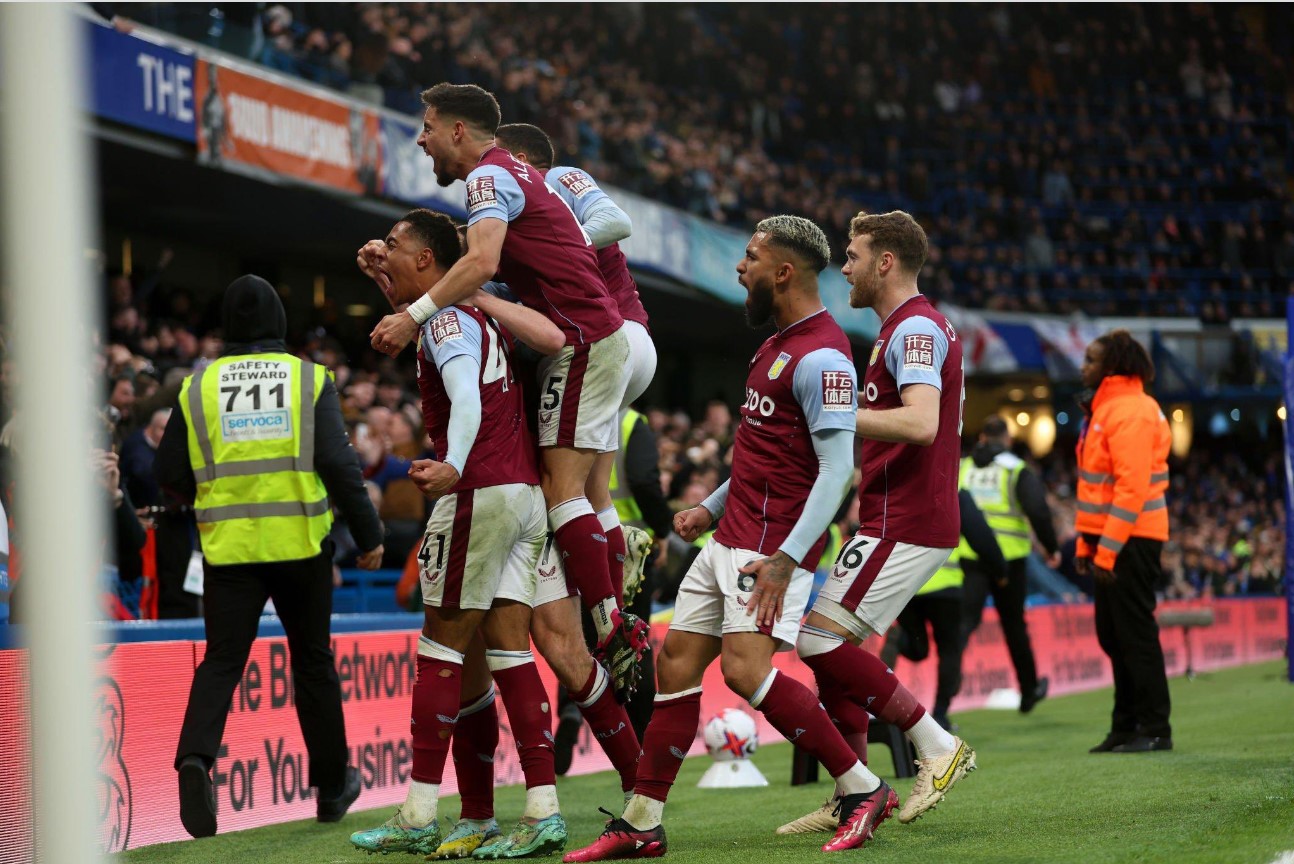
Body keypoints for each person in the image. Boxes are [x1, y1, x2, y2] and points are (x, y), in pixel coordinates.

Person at [565, 216, 890, 861]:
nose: (740, 268)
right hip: (730, 538)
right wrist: (710, 508)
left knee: (744, 672)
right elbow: (762, 455)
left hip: (770, 548)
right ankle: (643, 822)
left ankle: (862, 787)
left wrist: (786, 561)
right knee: (677, 664)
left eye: (750, 257)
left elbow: (836, 471)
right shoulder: (773, 346)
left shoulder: (825, 358)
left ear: (783, 272)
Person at [350, 210, 642, 860]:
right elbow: (445, 322)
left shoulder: (450, 318)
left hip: (479, 490)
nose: (384, 251)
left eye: (395, 245)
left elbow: (465, 394)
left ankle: (419, 814)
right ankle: (540, 810)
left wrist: (454, 462)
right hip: (529, 496)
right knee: (512, 653)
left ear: (430, 260)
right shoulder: (482, 313)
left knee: (442, 652)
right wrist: (392, 286)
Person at [367, 84, 648, 700]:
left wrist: (411, 314)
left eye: (429, 126)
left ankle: (610, 622)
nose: (421, 139)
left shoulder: (488, 179)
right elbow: (475, 278)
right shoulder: (515, 174)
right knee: (579, 495)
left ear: (458, 131)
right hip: (587, 337)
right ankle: (609, 578)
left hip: (587, 341)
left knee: (564, 489)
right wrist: (393, 273)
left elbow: (480, 265)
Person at [155, 275, 384, 839]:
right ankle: (331, 788)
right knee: (312, 664)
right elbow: (339, 465)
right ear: (280, 321)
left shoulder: (197, 387)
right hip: (300, 546)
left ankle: (195, 760)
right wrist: (369, 534)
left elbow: (168, 473)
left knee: (221, 661)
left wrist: (208, 496)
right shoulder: (307, 379)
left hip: (228, 549)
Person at [783, 210, 974, 834]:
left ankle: (937, 745)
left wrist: (830, 414)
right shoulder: (904, 328)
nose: (844, 268)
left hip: (908, 519)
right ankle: (854, 791)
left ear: (885, 262)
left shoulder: (914, 329)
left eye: (853, 255)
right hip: (892, 518)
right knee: (826, 647)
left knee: (819, 641)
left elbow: (921, 422)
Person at [493, 121, 658, 613]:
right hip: (622, 346)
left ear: (522, 159)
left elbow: (614, 219)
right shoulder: (518, 221)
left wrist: (561, 246)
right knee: (593, 491)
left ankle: (602, 613)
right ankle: (616, 574)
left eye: (496, 156)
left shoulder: (556, 179)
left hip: (610, 335)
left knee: (561, 488)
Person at [1075, 329, 1173, 753]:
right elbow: (1096, 489)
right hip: (1113, 539)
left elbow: (1131, 490)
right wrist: (1086, 545)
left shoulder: (1130, 409)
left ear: (1111, 365)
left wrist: (1107, 551)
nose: (1084, 367)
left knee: (1135, 636)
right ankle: (1126, 726)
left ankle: (1155, 729)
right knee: (1114, 636)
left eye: (1091, 359)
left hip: (1132, 538)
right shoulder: (1107, 407)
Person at [958, 414, 1061, 713]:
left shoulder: (963, 467)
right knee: (1014, 625)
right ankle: (1029, 690)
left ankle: (944, 698)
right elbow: (1038, 510)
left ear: (982, 438)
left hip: (971, 557)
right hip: (1009, 558)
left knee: (964, 626)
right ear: (1008, 440)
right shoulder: (1016, 469)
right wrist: (1051, 547)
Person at [882, 491, 1006, 733]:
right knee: (950, 649)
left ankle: (899, 641)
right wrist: (1000, 569)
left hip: (906, 585)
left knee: (918, 649)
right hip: (945, 586)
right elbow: (980, 535)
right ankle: (940, 715)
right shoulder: (954, 492)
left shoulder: (900, 489)